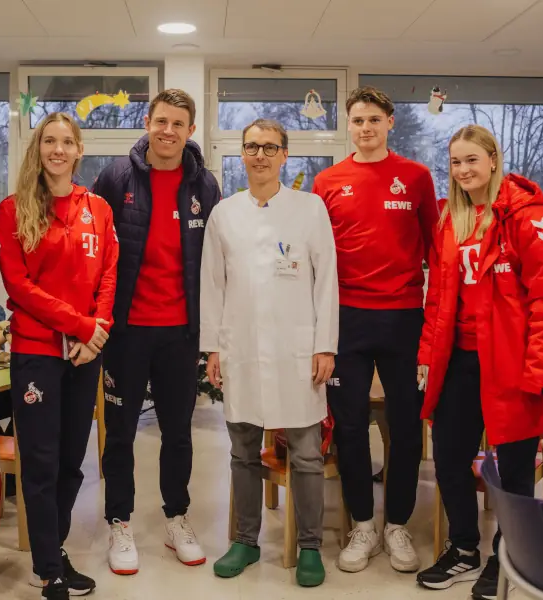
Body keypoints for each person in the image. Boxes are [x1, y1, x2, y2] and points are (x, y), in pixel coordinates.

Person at [415, 125, 543, 598]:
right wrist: (426, 356)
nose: (464, 170)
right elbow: (437, 301)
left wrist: (541, 369)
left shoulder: (527, 216)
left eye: (471, 160)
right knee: (448, 459)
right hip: (458, 361)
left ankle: (508, 554)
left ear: (492, 159)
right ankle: (464, 548)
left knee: (514, 469)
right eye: (455, 163)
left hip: (512, 364)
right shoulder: (449, 219)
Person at [200, 119, 339, 587]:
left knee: (305, 455)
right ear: (242, 154)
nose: (259, 155)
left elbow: (326, 282)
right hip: (240, 348)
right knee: (242, 452)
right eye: (251, 147)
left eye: (269, 147)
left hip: (297, 349)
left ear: (285, 155)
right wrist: (213, 349)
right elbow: (212, 286)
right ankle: (244, 541)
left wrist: (325, 345)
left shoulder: (309, 208)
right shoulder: (224, 213)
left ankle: (310, 547)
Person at [311, 86, 438, 573]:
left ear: (391, 124)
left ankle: (397, 525)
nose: (365, 128)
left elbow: (435, 249)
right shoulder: (328, 181)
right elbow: (319, 259)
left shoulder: (416, 177)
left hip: (405, 317)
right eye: (357, 120)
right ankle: (363, 525)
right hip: (347, 320)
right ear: (349, 126)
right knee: (349, 426)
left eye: (373, 120)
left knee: (405, 428)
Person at [92, 88, 219, 573]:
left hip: (180, 333)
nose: (168, 131)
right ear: (147, 122)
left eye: (178, 124)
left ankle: (176, 517)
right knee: (120, 433)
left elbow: (214, 262)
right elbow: (98, 249)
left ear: (190, 131)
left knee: (177, 433)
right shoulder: (116, 177)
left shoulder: (203, 185)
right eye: (161, 121)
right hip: (126, 332)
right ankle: (119, 522)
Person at [0, 112, 119, 600]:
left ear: (80, 149)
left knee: (72, 464)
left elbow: (109, 272)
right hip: (37, 354)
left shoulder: (98, 209)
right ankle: (47, 570)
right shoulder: (13, 209)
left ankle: (56, 548)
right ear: (38, 147)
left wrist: (98, 332)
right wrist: (82, 325)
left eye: (67, 142)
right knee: (41, 462)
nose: (58, 150)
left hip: (84, 356)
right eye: (50, 141)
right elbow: (18, 287)